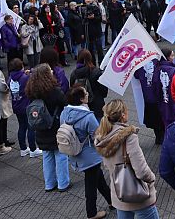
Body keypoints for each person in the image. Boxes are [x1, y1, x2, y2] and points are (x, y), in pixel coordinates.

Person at [95, 99, 159, 219]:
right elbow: (141, 170)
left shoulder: (103, 137)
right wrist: (151, 179)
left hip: (119, 195)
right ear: (123, 115)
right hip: (138, 196)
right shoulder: (129, 137)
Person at [60, 85, 112, 219]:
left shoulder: (64, 113)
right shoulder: (88, 116)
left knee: (99, 178)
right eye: (85, 93)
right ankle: (91, 213)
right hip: (90, 156)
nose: (88, 94)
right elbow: (98, 137)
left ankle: (111, 201)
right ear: (81, 99)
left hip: (75, 153)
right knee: (91, 185)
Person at [26, 64, 71, 192]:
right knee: (60, 155)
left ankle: (49, 183)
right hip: (55, 127)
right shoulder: (54, 91)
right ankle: (63, 183)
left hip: (41, 127)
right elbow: (65, 102)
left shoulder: (32, 92)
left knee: (47, 156)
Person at [8, 58, 41, 158]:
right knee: (31, 127)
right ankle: (33, 149)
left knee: (22, 126)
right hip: (26, 105)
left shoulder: (10, 78)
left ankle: (23, 148)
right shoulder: (25, 78)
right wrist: (30, 72)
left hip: (16, 105)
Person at [70, 49, 108, 120]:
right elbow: (104, 91)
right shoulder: (96, 72)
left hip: (81, 108)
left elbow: (71, 89)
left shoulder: (74, 74)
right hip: (97, 106)